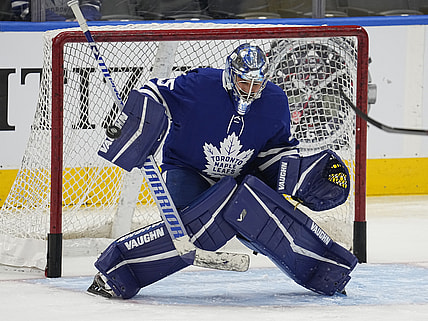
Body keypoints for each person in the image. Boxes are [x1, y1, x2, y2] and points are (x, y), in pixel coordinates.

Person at [91, 43, 357, 299]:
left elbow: (277, 149)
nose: (250, 91)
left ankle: (323, 271)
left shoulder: (275, 101)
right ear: (231, 75)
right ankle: (116, 273)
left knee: (258, 220)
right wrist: (137, 120)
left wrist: (292, 176)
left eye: (257, 84)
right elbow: (154, 91)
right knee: (198, 231)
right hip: (188, 169)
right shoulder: (200, 85)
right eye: (244, 82)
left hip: (241, 177)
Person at [10, 0, 102, 21]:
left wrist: (83, 18)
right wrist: (63, 22)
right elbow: (21, 7)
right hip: (32, 34)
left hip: (75, 28)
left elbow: (91, 3)